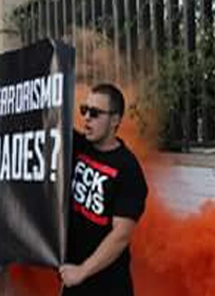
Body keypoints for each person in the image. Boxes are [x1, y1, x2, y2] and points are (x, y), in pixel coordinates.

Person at [59, 83, 148, 296]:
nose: (86, 117)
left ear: (115, 120)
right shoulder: (78, 146)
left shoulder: (128, 169)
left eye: (95, 113)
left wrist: (82, 271)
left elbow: (121, 235)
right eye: (84, 110)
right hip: (72, 279)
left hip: (107, 286)